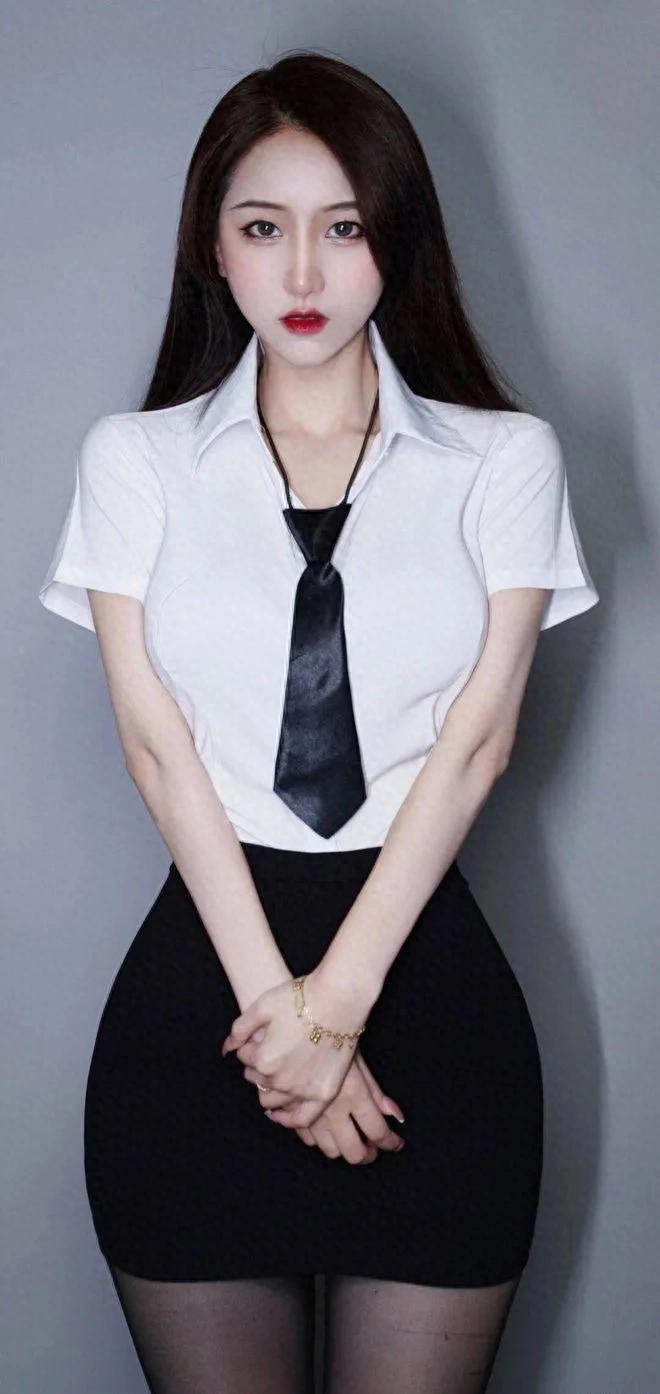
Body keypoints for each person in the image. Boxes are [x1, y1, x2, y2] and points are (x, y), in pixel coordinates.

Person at [38, 49, 599, 1394]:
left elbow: (477, 747)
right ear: (211, 246)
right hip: (206, 1007)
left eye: (344, 228)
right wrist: (283, 1025)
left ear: (396, 239)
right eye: (262, 227)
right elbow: (158, 750)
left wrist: (334, 1011)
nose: (303, 273)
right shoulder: (136, 461)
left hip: (428, 1005)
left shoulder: (504, 460)